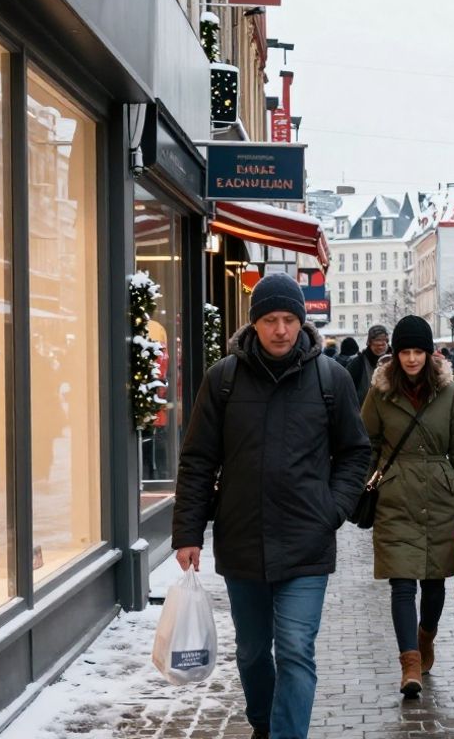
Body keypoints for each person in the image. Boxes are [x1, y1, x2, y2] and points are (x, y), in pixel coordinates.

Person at [172, 273, 371, 739]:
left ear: (302, 321)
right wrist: (187, 533)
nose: (280, 330)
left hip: (307, 542)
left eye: (289, 319)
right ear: (254, 323)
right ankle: (263, 724)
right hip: (242, 539)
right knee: (253, 651)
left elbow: (356, 452)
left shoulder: (331, 378)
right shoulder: (223, 379)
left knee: (297, 649)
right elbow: (198, 459)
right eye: (269, 320)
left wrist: (333, 508)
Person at [361, 315, 454, 698]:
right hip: (395, 497)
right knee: (401, 583)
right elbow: (366, 445)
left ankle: (425, 636)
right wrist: (360, 486)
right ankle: (410, 664)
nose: (412, 359)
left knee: (434, 584)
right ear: (396, 354)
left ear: (430, 353)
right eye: (405, 352)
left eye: (418, 351)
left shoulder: (448, 392)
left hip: (440, 497)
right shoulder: (380, 393)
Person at [345, 324, 391, 407]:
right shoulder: (358, 363)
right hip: (364, 410)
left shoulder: (396, 360)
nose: (380, 348)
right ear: (369, 343)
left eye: (383, 344)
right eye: (376, 345)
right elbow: (346, 389)